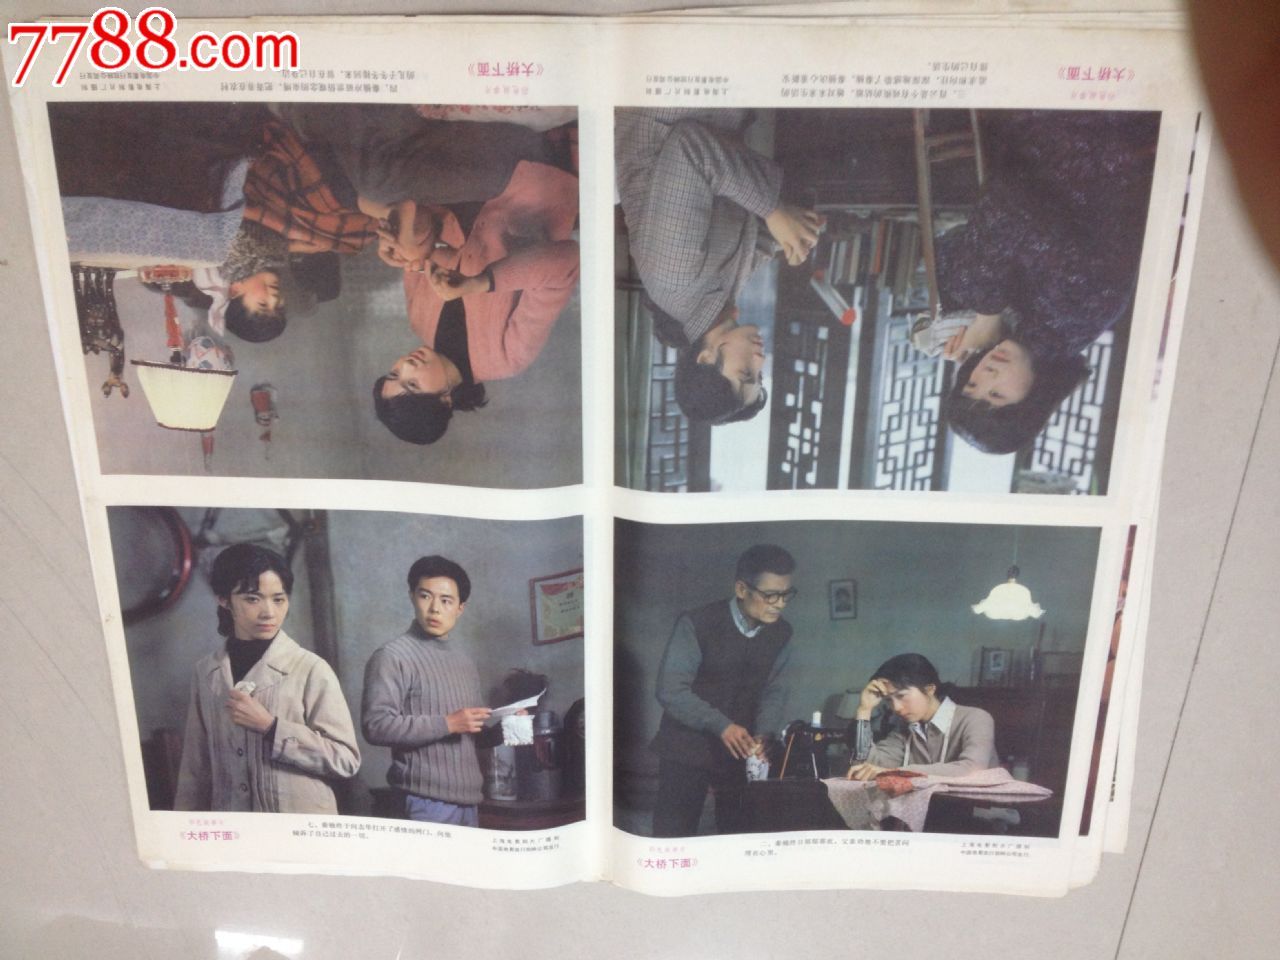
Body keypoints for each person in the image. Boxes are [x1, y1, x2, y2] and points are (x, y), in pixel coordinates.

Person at [932, 109, 1160, 454]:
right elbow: (1000, 209)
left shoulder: (1036, 331)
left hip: (1038, 139)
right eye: (997, 394)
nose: (987, 373)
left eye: (972, 385)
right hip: (1083, 129)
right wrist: (986, 314)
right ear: (1034, 399)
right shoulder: (1077, 309)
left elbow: (950, 246)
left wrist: (964, 314)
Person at [615, 108, 822, 424]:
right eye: (759, 375)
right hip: (713, 114)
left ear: (706, 357)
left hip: (667, 107)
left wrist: (774, 210)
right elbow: (757, 238)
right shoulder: (720, 302)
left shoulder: (675, 279)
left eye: (746, 372)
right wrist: (799, 234)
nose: (760, 360)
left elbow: (689, 148)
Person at [371, 160, 580, 444]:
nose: (406, 365)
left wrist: (400, 246)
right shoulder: (507, 357)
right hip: (527, 180)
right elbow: (567, 262)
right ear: (444, 400)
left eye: (394, 373)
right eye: (412, 384)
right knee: (373, 182)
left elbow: (424, 238)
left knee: (371, 190)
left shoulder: (418, 320)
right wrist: (480, 283)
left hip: (455, 182)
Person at [173, 543, 361, 813]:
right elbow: (195, 771)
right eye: (253, 599)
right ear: (224, 599)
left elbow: (346, 760)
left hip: (298, 827)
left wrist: (271, 728)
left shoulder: (311, 669)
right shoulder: (206, 672)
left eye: (278, 599)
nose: (269, 612)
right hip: (234, 828)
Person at [649, 544, 797, 837]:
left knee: (740, 833)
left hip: (740, 750)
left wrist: (764, 733)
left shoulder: (783, 632)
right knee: (672, 835)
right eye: (770, 595)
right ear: (742, 589)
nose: (780, 604)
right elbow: (670, 690)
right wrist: (722, 725)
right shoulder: (696, 622)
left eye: (786, 594)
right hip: (685, 747)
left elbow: (775, 690)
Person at [361, 555, 503, 826]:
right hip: (423, 802)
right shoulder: (392, 656)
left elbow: (471, 734)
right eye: (425, 596)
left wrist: (505, 728)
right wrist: (447, 723)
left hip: (470, 801)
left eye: (446, 601)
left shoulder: (465, 662)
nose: (435, 608)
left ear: (460, 608)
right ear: (412, 596)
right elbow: (375, 726)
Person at [845, 653, 998, 781]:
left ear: (930, 689)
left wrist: (896, 772)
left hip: (980, 807)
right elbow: (864, 765)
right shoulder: (904, 728)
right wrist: (864, 710)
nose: (896, 707)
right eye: (888, 700)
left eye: (901, 696)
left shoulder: (976, 719)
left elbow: (972, 769)